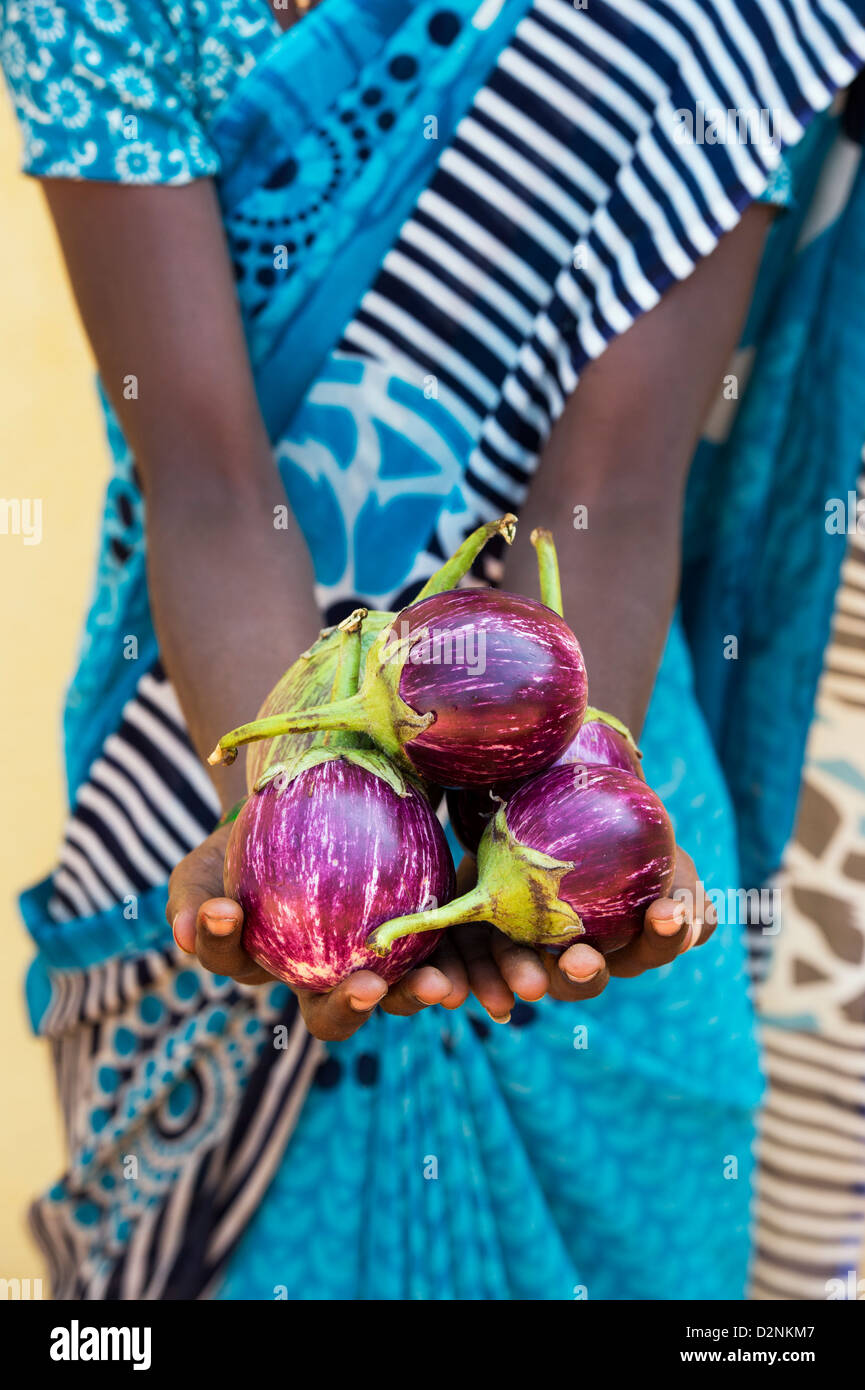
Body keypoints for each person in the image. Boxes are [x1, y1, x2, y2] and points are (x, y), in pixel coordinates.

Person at [3, 0, 864, 1299]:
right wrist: (287, 823)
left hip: (592, 807)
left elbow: (609, 501)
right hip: (197, 789)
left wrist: (559, 815)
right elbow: (208, 486)